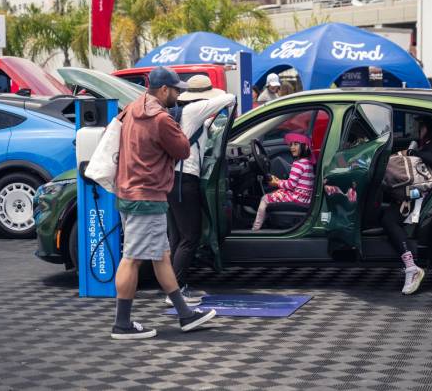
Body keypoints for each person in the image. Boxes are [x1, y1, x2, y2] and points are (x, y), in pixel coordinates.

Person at [111, 66, 216, 340]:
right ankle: (122, 324)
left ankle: (185, 315)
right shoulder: (161, 118)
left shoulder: (132, 108)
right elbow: (182, 149)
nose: (179, 94)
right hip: (147, 194)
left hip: (129, 191)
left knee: (160, 255)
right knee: (132, 258)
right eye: (176, 89)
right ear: (164, 90)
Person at [165, 75, 235, 307]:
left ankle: (176, 288)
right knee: (190, 237)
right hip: (185, 181)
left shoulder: (184, 115)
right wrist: (228, 99)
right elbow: (228, 98)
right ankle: (176, 292)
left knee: (177, 238)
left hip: (172, 180)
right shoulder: (194, 110)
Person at [380, 116, 432, 295]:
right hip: (415, 191)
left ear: (428, 127)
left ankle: (411, 267)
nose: (417, 129)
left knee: (389, 220)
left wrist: (412, 153)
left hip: (424, 194)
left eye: (420, 125)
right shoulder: (424, 141)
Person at [252, 133, 315, 231]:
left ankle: (255, 228)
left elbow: (291, 185)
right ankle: (266, 220)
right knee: (277, 192)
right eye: (291, 144)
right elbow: (295, 183)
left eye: (296, 144)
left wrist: (276, 183)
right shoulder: (308, 163)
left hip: (297, 197)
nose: (292, 147)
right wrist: (279, 181)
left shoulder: (298, 164)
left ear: (305, 147)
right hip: (305, 197)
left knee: (265, 198)